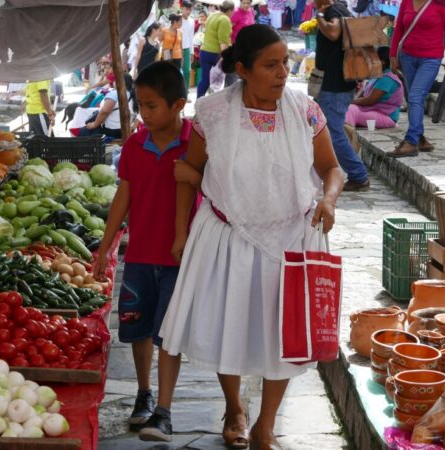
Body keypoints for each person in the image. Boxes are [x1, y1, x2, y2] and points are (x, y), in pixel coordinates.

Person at [158, 24, 345, 449]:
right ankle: (234, 407)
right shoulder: (213, 113)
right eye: (271, 65)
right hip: (227, 235)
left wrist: (329, 200)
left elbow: (332, 169)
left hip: (291, 238)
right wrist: (180, 232)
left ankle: (266, 424)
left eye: (285, 63)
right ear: (243, 69)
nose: (282, 73)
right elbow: (188, 174)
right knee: (232, 326)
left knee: (283, 335)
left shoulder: (305, 111)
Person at [93, 62, 196, 441]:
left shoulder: (194, 143)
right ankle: (143, 393)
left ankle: (164, 411)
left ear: (178, 105)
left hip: (179, 258)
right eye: (141, 105)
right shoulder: (135, 145)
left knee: (170, 334)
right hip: (138, 256)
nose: (144, 114)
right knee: (138, 331)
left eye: (152, 106)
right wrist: (106, 247)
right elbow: (124, 194)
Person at [388, 0, 445, 157]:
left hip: (431, 58)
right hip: (407, 56)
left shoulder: (443, 3)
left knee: (415, 96)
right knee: (412, 98)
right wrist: (392, 55)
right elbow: (399, 29)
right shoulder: (407, 2)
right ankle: (420, 138)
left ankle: (411, 142)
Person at [314, 0, 371, 189]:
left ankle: (358, 174)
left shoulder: (334, 10)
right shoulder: (338, 9)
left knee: (333, 132)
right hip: (337, 83)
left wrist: (319, 16)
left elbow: (333, 32)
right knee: (330, 130)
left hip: (335, 85)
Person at [345, 47, 404, 129]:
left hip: (386, 117)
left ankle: (347, 135)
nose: (370, 61)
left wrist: (349, 102)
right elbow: (362, 95)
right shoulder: (377, 75)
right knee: (345, 108)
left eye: (373, 59)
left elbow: (370, 100)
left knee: (351, 110)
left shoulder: (388, 79)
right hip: (372, 111)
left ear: (382, 61)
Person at [80, 74, 134, 140]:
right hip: (126, 130)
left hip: (111, 130)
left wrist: (94, 124)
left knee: (83, 132)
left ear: (118, 82)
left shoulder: (115, 93)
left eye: (114, 80)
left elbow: (105, 111)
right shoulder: (132, 94)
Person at [197, 1, 234, 98]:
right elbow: (223, 41)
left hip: (204, 51)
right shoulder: (225, 19)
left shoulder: (212, 15)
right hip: (215, 54)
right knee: (220, 81)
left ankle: (198, 102)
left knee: (205, 80)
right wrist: (226, 58)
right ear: (230, 10)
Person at [226, 0, 256, 86]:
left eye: (248, 3)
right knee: (233, 72)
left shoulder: (251, 11)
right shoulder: (235, 13)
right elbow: (227, 29)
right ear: (240, 2)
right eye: (244, 3)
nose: (246, 5)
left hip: (248, 46)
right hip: (235, 45)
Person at [181, 2, 196, 91]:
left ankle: (186, 92)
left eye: (190, 9)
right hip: (176, 49)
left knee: (187, 72)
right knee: (177, 72)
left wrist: (192, 52)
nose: (188, 11)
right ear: (182, 8)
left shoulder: (192, 21)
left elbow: (191, 37)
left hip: (187, 49)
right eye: (186, 9)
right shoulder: (177, 19)